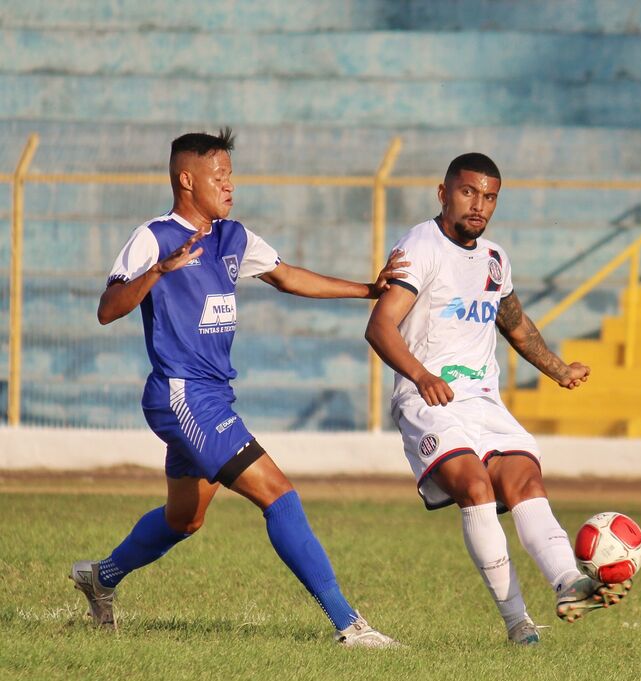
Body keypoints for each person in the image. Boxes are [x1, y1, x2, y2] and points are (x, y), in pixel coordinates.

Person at [70, 127, 405, 647]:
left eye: (231, 175)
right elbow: (107, 310)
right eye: (219, 176)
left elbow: (287, 276)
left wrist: (366, 289)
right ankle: (350, 625)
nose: (229, 185)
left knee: (185, 518)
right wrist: (160, 270)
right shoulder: (155, 237)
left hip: (213, 395)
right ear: (187, 180)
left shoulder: (233, 235)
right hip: (181, 395)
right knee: (279, 494)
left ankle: (101, 578)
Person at [365, 152, 631, 645]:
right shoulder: (420, 247)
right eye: (468, 192)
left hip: (483, 400)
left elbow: (514, 324)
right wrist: (422, 376)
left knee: (525, 478)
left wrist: (559, 370)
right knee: (475, 486)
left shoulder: (495, 259)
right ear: (443, 193)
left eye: (489, 197)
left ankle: (569, 582)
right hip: (428, 400)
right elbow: (380, 325)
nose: (479, 205)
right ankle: (517, 622)